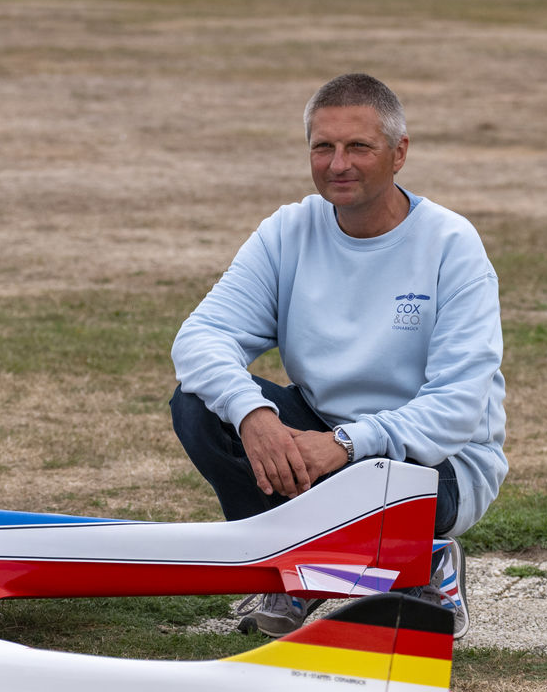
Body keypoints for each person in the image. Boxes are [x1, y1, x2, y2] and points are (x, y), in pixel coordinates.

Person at [170, 73, 505, 638]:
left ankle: (424, 562)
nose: (338, 164)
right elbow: (200, 336)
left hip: (436, 463)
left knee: (377, 479)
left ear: (399, 153)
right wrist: (254, 416)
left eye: (359, 147)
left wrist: (346, 444)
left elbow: (455, 410)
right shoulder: (288, 230)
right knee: (198, 405)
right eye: (322, 147)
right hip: (323, 437)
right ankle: (296, 572)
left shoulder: (452, 244)